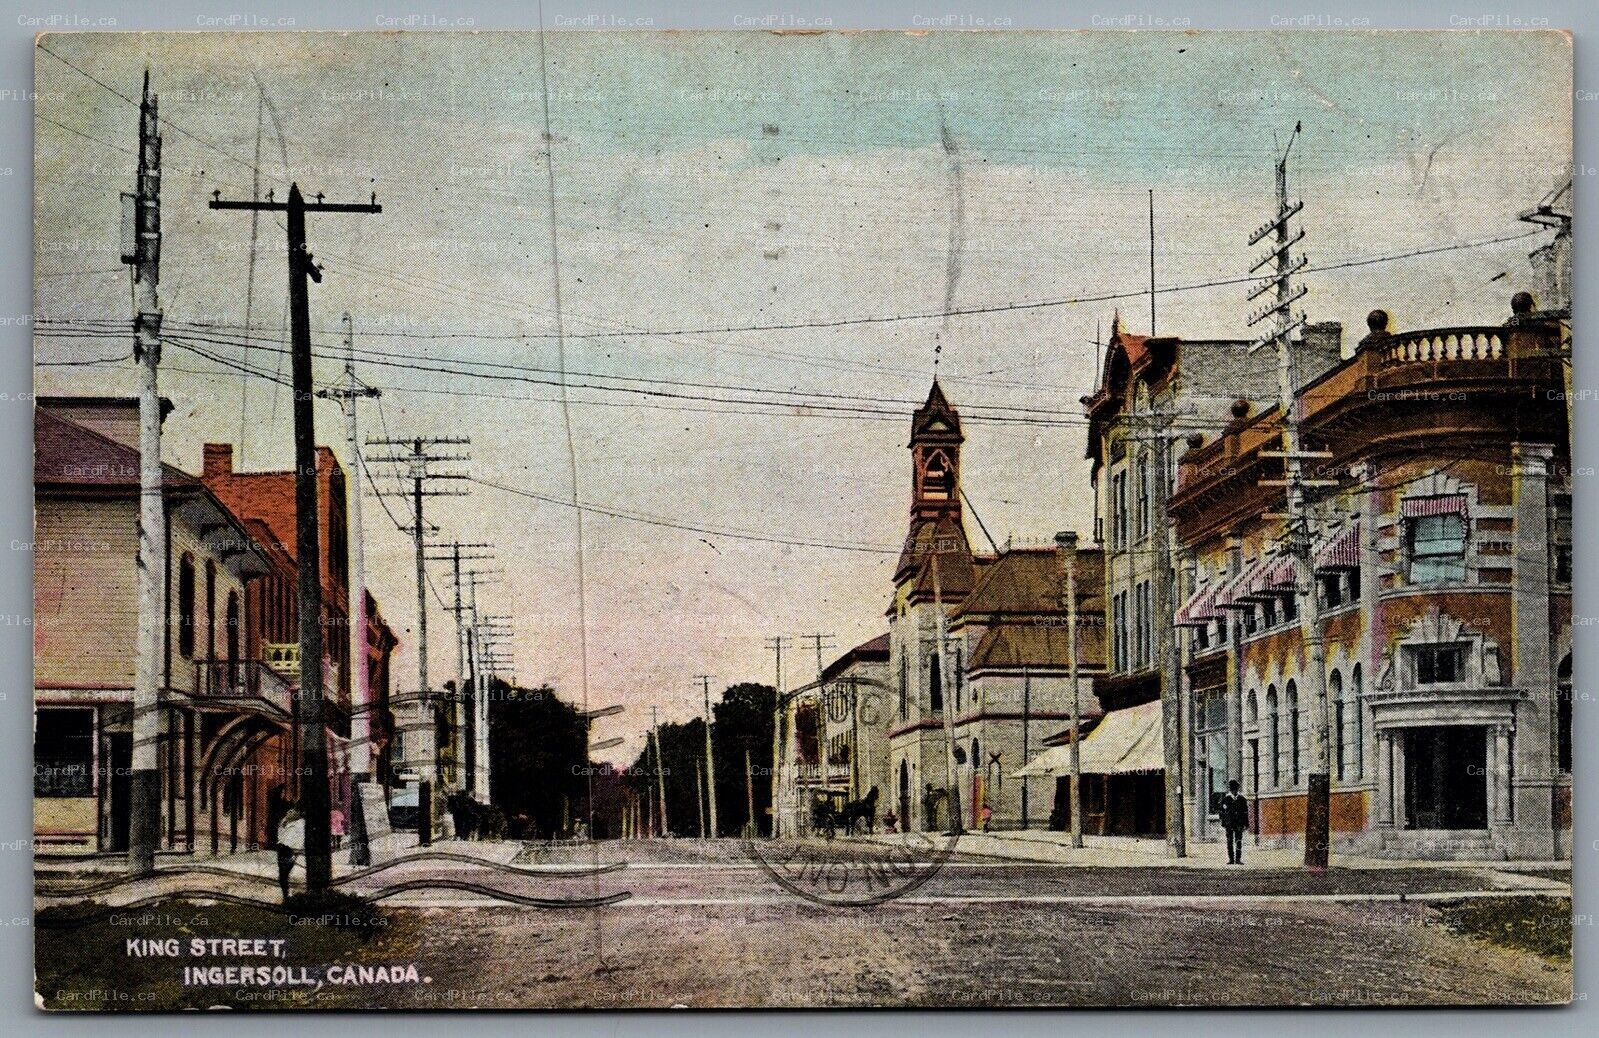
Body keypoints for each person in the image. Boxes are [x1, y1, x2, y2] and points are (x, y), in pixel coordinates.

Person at [275, 802, 305, 900]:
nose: (291, 812)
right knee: (283, 874)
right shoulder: (292, 821)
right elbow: (281, 832)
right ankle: (286, 895)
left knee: (283, 874)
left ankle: (286, 895)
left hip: (286, 849)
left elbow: (299, 838)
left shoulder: (296, 821)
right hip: (286, 849)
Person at [1219, 779, 1249, 865]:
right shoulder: (1226, 799)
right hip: (1229, 824)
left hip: (1239, 823)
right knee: (1229, 841)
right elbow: (1221, 812)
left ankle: (1238, 859)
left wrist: (1246, 824)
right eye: (1233, 789)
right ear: (1230, 790)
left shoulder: (1242, 799)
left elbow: (1245, 812)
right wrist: (1224, 822)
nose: (1234, 791)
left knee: (1238, 841)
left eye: (1236, 789)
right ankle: (1231, 859)